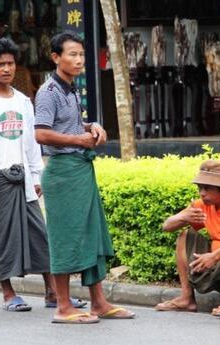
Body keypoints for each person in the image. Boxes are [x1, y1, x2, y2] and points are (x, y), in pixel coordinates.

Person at [0, 38, 86, 311]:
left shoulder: (23, 101)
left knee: (40, 236)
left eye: (11, 63)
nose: (7, 69)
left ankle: (52, 293)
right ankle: (8, 294)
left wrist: (37, 176)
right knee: (1, 236)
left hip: (24, 180)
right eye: (1, 64)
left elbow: (31, 144)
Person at [34, 31, 135, 324]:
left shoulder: (71, 88)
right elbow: (41, 132)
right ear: (56, 57)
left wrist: (93, 126)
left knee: (92, 234)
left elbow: (70, 124)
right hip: (62, 173)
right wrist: (79, 140)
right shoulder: (48, 92)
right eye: (72, 55)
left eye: (81, 55)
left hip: (80, 170)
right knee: (64, 239)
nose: (79, 60)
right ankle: (63, 306)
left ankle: (98, 302)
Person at [154, 160, 220, 317]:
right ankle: (187, 298)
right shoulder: (202, 205)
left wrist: (214, 256)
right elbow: (167, 227)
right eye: (200, 188)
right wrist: (182, 217)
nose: (201, 193)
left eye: (207, 188)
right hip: (213, 269)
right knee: (184, 236)